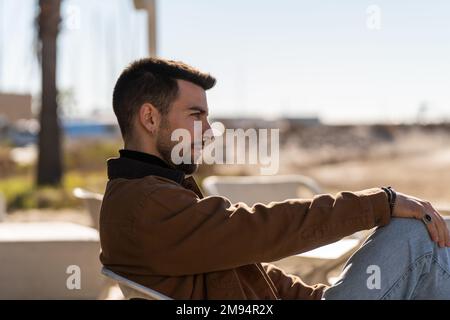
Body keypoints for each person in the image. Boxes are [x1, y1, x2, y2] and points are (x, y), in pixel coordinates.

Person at [99, 57, 450, 300]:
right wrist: (379, 202)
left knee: (429, 239)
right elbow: (261, 229)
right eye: (196, 115)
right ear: (149, 117)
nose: (208, 130)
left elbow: (245, 270)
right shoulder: (145, 204)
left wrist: (319, 296)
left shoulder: (149, 194)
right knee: (415, 236)